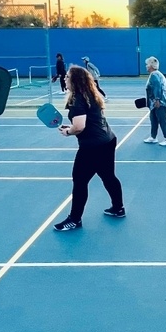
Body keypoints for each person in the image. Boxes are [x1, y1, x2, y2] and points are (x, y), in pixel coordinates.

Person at [54, 65, 124, 231]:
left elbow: (79, 127)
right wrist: (71, 126)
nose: (65, 78)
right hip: (108, 140)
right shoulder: (91, 94)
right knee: (108, 176)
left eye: (67, 77)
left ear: (75, 80)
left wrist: (68, 132)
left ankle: (75, 219)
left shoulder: (77, 99)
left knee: (79, 181)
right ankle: (118, 208)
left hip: (93, 147)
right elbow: (86, 121)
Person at [143, 56, 166, 146]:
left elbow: (157, 87)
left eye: (147, 64)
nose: (146, 66)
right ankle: (153, 137)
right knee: (153, 119)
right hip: (154, 103)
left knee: (162, 119)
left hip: (160, 102)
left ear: (151, 66)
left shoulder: (154, 75)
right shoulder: (156, 74)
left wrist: (157, 100)